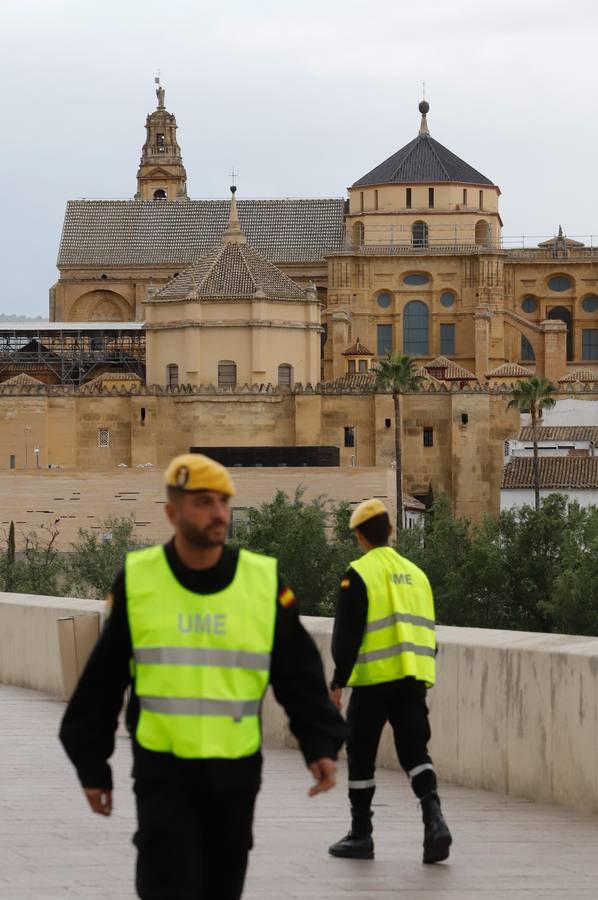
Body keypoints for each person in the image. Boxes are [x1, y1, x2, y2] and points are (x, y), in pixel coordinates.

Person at [60, 453, 345, 900]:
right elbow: (103, 681)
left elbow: (298, 673)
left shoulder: (263, 582)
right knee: (167, 888)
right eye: (203, 503)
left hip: (234, 776)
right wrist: (92, 766)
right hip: (162, 773)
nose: (218, 514)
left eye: (223, 502)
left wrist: (320, 743)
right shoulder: (139, 582)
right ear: (172, 513)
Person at [327, 498, 452, 864]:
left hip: (373, 681)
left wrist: (338, 682)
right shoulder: (417, 574)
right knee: (416, 753)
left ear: (359, 537)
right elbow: (430, 632)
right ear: (391, 531)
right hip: (413, 676)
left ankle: (361, 834)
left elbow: (346, 638)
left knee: (361, 754)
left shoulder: (358, 574)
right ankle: (434, 820)